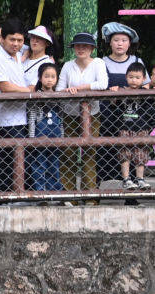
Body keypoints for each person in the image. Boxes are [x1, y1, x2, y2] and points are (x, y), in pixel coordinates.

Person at [97, 22, 150, 187]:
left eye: (124, 40)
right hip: (108, 116)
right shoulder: (101, 62)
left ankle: (132, 189)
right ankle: (102, 189)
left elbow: (146, 85)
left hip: (133, 118)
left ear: (130, 43)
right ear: (109, 42)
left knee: (134, 151)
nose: (120, 43)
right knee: (107, 150)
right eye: (116, 40)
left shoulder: (137, 61)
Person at [57, 32, 108, 194]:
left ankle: (90, 195)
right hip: (70, 113)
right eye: (77, 46)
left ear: (92, 48)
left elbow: (103, 84)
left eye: (85, 46)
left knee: (90, 153)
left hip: (93, 113)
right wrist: (68, 90)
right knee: (68, 152)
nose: (81, 49)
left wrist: (80, 89)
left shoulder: (98, 63)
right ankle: (69, 194)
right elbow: (59, 89)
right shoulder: (67, 65)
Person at [0, 18, 33, 192]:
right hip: (6, 119)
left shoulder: (19, 56)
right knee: (8, 159)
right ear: (3, 39)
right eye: (12, 40)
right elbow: (4, 86)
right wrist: (29, 92)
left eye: (20, 40)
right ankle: (2, 196)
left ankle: (19, 195)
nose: (16, 44)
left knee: (21, 159)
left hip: (23, 116)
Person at [114, 62, 153, 190]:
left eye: (137, 77)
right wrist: (114, 92)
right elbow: (114, 104)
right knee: (125, 154)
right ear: (126, 77)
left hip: (141, 128)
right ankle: (126, 179)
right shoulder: (121, 91)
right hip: (125, 127)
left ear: (143, 79)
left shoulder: (146, 93)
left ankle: (140, 179)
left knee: (141, 154)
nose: (134, 80)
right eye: (131, 77)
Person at [27, 63, 64, 191]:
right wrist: (32, 138)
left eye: (53, 76)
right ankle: (40, 190)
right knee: (39, 164)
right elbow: (32, 118)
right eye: (46, 76)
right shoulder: (35, 96)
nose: (49, 79)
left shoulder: (59, 96)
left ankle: (54, 191)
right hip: (39, 134)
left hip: (55, 134)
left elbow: (61, 120)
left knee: (54, 165)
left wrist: (62, 137)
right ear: (40, 77)